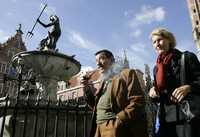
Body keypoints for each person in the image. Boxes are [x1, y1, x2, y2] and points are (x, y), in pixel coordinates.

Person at [81, 49, 148, 137]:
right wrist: (86, 88)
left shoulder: (126, 74)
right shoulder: (103, 82)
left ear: (112, 60)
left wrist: (119, 120)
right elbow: (95, 106)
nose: (98, 63)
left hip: (114, 128)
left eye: (102, 59)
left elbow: (138, 101)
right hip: (98, 129)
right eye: (96, 61)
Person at [149, 28, 200, 137]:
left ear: (169, 40)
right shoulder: (156, 69)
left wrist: (189, 88)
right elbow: (158, 96)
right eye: (154, 42)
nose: (157, 44)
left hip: (187, 117)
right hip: (165, 120)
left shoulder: (186, 58)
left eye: (159, 40)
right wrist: (153, 91)